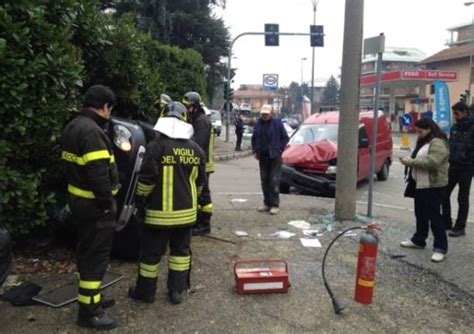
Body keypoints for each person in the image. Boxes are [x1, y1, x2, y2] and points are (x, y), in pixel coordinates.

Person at [128, 102, 206, 305]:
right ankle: (176, 292)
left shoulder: (156, 147)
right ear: (185, 121)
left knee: (150, 257)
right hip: (186, 216)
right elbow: (200, 185)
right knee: (180, 255)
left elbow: (146, 181)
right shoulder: (196, 150)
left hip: (157, 216)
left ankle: (145, 293)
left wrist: (140, 203)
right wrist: (197, 208)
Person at [61, 85, 119, 330]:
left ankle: (93, 297)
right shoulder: (93, 132)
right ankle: (89, 312)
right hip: (96, 206)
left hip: (79, 202)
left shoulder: (73, 126)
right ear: (105, 106)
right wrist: (107, 204)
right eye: (110, 109)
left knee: (86, 252)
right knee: (95, 257)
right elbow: (98, 175)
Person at [399, 118, 449, 263]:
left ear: (429, 129)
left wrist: (411, 162)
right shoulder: (425, 142)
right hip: (420, 185)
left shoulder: (438, 142)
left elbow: (433, 163)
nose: (418, 134)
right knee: (420, 214)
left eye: (420, 131)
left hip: (433, 186)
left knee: (435, 217)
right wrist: (411, 158)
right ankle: (419, 240)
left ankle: (440, 248)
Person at [182, 92, 215, 235]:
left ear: (195, 107)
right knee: (197, 193)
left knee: (203, 194)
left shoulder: (201, 121)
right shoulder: (196, 119)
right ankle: (198, 221)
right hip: (200, 162)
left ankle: (204, 224)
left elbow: (198, 146)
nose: (186, 110)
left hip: (203, 164)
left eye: (188, 107)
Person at [441, 101, 474, 237]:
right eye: (454, 113)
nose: (455, 116)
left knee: (462, 197)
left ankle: (460, 227)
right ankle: (447, 222)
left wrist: (469, 158)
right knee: (444, 193)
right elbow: (451, 144)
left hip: (467, 167)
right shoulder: (455, 127)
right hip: (454, 165)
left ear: (465, 112)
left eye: (457, 113)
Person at [251, 104, 289, 215]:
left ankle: (275, 204)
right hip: (262, 157)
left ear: (270, 113)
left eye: (266, 114)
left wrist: (280, 150)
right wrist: (255, 150)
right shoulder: (258, 124)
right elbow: (254, 138)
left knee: (274, 181)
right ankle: (267, 203)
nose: (264, 116)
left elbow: (285, 138)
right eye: (263, 114)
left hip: (275, 157)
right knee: (264, 180)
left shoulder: (277, 124)